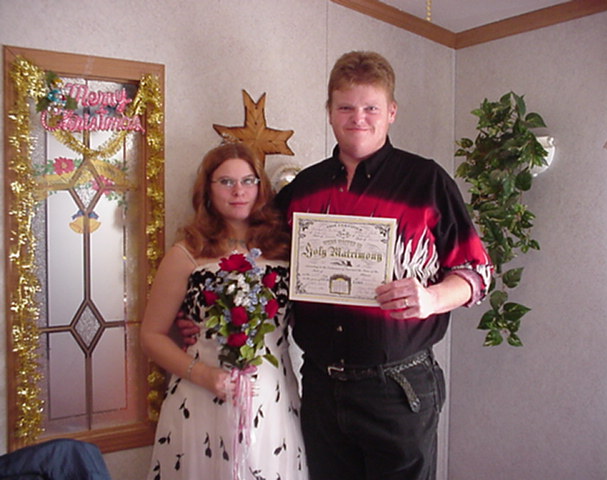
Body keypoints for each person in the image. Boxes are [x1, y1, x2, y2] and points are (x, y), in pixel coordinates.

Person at [180, 51, 492, 480]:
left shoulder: (427, 182)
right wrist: (202, 317)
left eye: (371, 108)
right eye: (346, 107)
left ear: (392, 113)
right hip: (321, 387)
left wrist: (431, 297)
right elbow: (257, 265)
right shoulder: (302, 190)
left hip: (399, 389)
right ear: (329, 112)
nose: (358, 118)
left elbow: (477, 273)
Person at [141, 142, 308, 480]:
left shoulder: (287, 248)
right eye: (226, 182)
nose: (238, 191)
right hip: (201, 395)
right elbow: (151, 336)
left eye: (248, 181)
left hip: (273, 396)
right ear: (207, 190)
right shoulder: (187, 252)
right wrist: (203, 374)